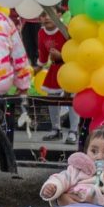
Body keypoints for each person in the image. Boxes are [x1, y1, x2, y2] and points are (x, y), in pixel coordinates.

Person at [40, 125, 104, 206]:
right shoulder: (79, 166)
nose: (99, 157)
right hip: (76, 199)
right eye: (94, 151)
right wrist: (53, 186)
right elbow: (64, 177)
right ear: (86, 150)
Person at [38, 14, 74, 143]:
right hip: (54, 70)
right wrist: (38, 67)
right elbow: (43, 52)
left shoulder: (66, 30)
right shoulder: (41, 32)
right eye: (42, 15)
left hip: (70, 68)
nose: (46, 18)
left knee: (72, 99)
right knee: (52, 99)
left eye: (48, 14)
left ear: (58, 15)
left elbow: (76, 51)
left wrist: (62, 56)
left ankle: (73, 131)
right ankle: (55, 129)